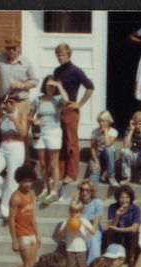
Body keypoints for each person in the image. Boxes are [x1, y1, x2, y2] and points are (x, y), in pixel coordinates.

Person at [52, 43, 95, 186]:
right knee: (61, 142)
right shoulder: (57, 71)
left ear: (68, 55)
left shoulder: (76, 71)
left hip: (71, 110)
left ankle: (71, 174)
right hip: (59, 109)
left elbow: (90, 87)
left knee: (71, 143)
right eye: (58, 55)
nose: (60, 57)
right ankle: (61, 172)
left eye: (63, 55)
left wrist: (79, 104)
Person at [0, 92, 29, 222]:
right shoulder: (2, 112)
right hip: (3, 147)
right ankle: (10, 194)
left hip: (16, 148)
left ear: (16, 103)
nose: (8, 105)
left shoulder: (20, 114)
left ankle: (5, 210)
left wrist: (14, 121)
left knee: (12, 180)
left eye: (11, 102)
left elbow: (24, 133)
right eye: (6, 102)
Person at [0, 36, 39, 120]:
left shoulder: (26, 62)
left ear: (19, 48)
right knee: (5, 130)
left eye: (14, 48)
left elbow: (34, 81)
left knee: (21, 131)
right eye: (8, 48)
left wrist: (22, 85)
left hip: (21, 102)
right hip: (5, 103)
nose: (11, 51)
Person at [29, 76, 67, 203]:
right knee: (43, 163)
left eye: (52, 85)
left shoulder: (57, 100)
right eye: (48, 84)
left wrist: (59, 84)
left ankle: (55, 191)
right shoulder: (37, 100)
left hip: (53, 132)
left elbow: (66, 100)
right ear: (44, 86)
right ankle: (45, 189)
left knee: (53, 163)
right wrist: (34, 120)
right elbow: (29, 116)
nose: (50, 87)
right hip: (40, 133)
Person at [53, 200, 96, 267]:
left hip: (82, 250)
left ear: (81, 212)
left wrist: (85, 225)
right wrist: (65, 228)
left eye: (77, 212)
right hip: (70, 250)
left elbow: (93, 232)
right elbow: (59, 235)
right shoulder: (67, 222)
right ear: (70, 212)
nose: (74, 215)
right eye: (72, 212)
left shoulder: (84, 221)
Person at [102, 184, 141, 260]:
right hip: (116, 234)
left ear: (130, 198)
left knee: (134, 235)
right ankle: (109, 257)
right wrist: (117, 215)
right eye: (122, 197)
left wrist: (117, 229)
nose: (124, 200)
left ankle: (131, 260)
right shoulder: (112, 207)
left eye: (127, 197)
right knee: (107, 233)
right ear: (118, 198)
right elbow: (110, 226)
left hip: (128, 234)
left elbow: (134, 228)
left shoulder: (135, 209)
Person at [118, 111, 141, 187]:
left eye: (140, 124)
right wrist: (131, 130)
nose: (137, 126)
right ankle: (126, 177)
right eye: (135, 124)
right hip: (134, 155)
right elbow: (125, 145)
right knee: (123, 151)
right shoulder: (130, 129)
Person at [76, 179, 105, 266]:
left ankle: (93, 266)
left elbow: (94, 226)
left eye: (87, 190)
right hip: (80, 228)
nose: (84, 192)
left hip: (93, 230)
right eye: (82, 190)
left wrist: (86, 238)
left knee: (93, 240)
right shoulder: (77, 203)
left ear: (91, 191)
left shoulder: (97, 203)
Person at [89, 111, 117, 185]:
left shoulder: (113, 131)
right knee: (94, 171)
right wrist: (96, 161)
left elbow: (108, 144)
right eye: (99, 121)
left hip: (108, 155)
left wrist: (105, 132)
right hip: (97, 155)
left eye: (103, 121)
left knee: (108, 149)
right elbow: (92, 148)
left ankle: (111, 176)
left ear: (108, 121)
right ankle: (92, 192)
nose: (101, 124)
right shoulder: (94, 131)